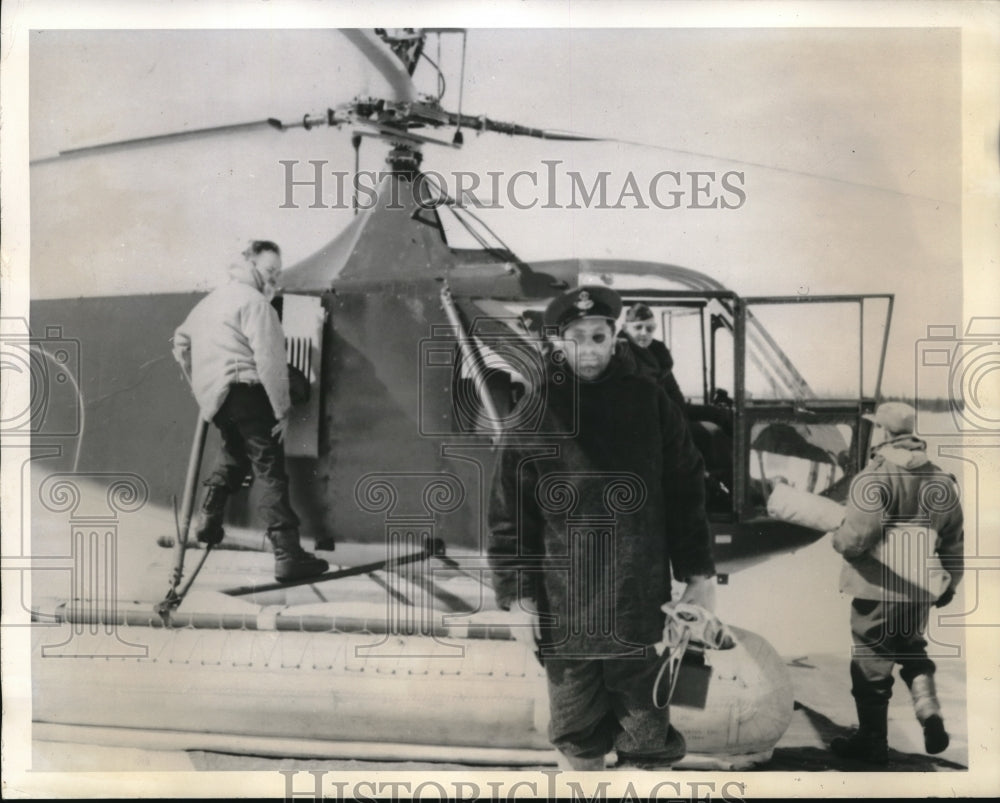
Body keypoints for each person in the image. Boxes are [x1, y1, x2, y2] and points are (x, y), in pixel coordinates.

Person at [488, 286, 716, 771]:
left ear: (615, 338)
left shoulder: (649, 401)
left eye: (598, 336)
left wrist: (699, 577)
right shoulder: (533, 412)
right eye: (576, 337)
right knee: (576, 737)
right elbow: (510, 516)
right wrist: (519, 599)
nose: (588, 349)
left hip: (639, 606)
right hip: (565, 611)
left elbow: (686, 490)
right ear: (558, 342)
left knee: (648, 738)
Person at [172, 240, 329, 583]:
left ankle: (209, 518)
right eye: (270, 270)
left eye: (278, 272)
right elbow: (270, 362)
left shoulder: (210, 302)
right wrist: (282, 410)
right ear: (250, 264)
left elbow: (180, 344)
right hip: (249, 391)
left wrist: (202, 385)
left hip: (220, 399)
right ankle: (287, 555)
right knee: (270, 471)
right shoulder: (257, 304)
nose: (274, 278)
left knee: (234, 454)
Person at [829, 401, 963, 763]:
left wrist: (838, 539)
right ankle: (929, 712)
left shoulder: (874, 477)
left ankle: (872, 742)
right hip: (920, 589)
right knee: (911, 649)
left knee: (871, 660)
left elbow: (858, 537)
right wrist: (950, 584)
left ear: (884, 432)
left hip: (877, 589)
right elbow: (953, 542)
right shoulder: (941, 480)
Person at [621, 302, 686, 410]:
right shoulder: (619, 356)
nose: (644, 333)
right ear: (625, 328)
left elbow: (679, 403)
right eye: (638, 327)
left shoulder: (661, 357)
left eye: (649, 328)